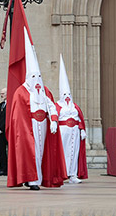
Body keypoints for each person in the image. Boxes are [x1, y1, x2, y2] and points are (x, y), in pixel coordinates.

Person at [7, 31, 67, 190]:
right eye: (33, 76)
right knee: (31, 152)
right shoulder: (21, 92)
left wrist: (54, 120)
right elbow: (18, 115)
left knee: (42, 152)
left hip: (44, 125)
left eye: (38, 76)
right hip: (29, 126)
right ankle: (32, 179)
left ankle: (41, 178)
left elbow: (51, 105)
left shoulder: (45, 91)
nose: (37, 80)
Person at [57, 56, 88, 184]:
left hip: (74, 132)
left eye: (68, 94)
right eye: (65, 94)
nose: (67, 97)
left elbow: (79, 118)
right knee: (63, 152)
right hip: (63, 131)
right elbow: (54, 118)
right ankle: (62, 174)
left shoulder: (74, 106)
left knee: (74, 152)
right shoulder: (58, 106)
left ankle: (73, 174)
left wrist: (82, 129)